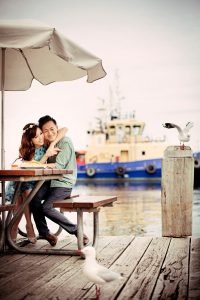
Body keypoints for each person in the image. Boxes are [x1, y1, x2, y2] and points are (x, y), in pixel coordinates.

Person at [30, 115, 89, 246]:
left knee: (47, 208)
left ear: (57, 128)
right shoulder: (46, 144)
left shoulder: (65, 142)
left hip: (63, 183)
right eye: (45, 131)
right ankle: (45, 233)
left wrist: (43, 161)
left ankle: (76, 231)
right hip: (49, 182)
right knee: (32, 197)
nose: (49, 133)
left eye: (52, 129)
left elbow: (58, 167)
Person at [6, 122, 67, 243]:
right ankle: (28, 225)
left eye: (40, 134)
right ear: (30, 140)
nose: (40, 137)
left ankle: (16, 227)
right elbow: (32, 167)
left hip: (37, 183)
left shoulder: (45, 144)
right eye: (36, 136)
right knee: (24, 190)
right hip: (26, 182)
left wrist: (52, 145)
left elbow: (64, 129)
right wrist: (47, 156)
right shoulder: (30, 151)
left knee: (26, 192)